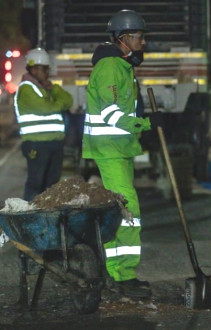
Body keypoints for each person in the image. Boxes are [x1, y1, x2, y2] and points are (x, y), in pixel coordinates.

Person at [82, 9, 164, 299]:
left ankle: (117, 271)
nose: (143, 42)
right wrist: (144, 123)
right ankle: (122, 275)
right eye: (139, 37)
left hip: (119, 147)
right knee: (128, 210)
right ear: (124, 38)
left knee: (120, 208)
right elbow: (110, 112)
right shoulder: (110, 68)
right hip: (111, 148)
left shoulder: (122, 66)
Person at [14, 48, 73, 201]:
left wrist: (54, 89)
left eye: (47, 69)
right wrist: (57, 103)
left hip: (54, 143)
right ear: (33, 69)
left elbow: (69, 101)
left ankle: (47, 218)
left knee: (51, 186)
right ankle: (29, 219)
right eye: (43, 69)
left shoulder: (45, 88)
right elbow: (46, 108)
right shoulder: (26, 88)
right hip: (36, 145)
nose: (47, 73)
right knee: (36, 183)